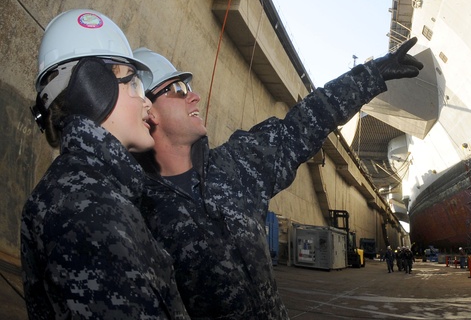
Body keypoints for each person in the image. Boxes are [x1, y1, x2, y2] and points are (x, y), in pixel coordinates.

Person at [133, 38, 423, 319]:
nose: (193, 95)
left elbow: (305, 123)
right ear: (147, 111)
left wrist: (369, 76)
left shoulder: (235, 165)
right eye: (178, 89)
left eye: (190, 87)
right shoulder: (136, 212)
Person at [20, 9, 190, 319]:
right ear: (94, 89)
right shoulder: (89, 210)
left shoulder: (90, 188)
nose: (147, 103)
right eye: (134, 85)